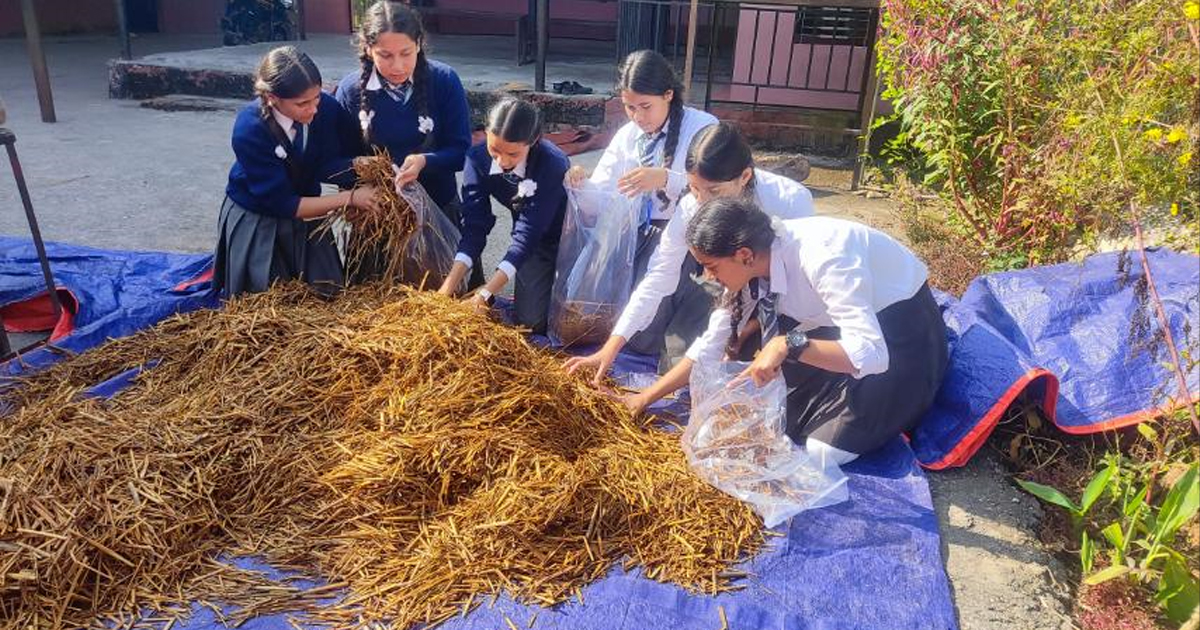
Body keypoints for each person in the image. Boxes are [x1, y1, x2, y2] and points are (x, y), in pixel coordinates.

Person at [623, 198, 948, 465]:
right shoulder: (754, 263)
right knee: (764, 416)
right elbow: (710, 344)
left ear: (744, 255)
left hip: (901, 338)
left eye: (712, 267)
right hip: (831, 328)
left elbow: (871, 354)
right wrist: (646, 397)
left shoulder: (824, 257)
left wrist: (789, 343)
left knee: (824, 452)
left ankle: (902, 404)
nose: (708, 277)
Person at [564, 123, 814, 381]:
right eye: (694, 188)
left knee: (751, 365)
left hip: (775, 299)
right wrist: (611, 347)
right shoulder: (690, 207)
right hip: (728, 286)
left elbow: (792, 285)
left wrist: (749, 329)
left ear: (745, 177)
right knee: (662, 351)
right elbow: (660, 273)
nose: (702, 200)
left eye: (714, 191)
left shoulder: (791, 203)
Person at [565, 49, 717, 355]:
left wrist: (665, 179)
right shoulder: (627, 135)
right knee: (632, 330)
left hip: (693, 233)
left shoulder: (703, 128)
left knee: (651, 336)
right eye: (630, 107)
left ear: (669, 95)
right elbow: (603, 195)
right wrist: (582, 184)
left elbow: (717, 191)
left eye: (646, 107)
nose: (638, 117)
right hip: (642, 233)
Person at [215, 46, 381, 297]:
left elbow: (329, 162)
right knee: (267, 298)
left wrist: (356, 169)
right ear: (272, 98)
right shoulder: (250, 128)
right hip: (260, 215)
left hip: (309, 207)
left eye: (316, 97)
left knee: (326, 294)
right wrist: (349, 200)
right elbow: (282, 203)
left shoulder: (325, 107)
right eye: (302, 103)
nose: (313, 109)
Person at [335, 1, 472, 279]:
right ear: (368, 49)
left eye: (405, 53)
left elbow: (461, 152)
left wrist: (425, 161)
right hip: (377, 218)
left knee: (441, 299)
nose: (397, 65)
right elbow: (336, 162)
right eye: (385, 55)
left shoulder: (444, 81)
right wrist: (358, 177)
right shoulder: (351, 91)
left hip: (436, 213)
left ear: (419, 44)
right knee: (377, 301)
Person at [438, 97, 568, 334]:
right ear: (486, 132)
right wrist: (446, 289)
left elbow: (528, 234)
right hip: (535, 244)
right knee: (530, 322)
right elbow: (475, 226)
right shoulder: (476, 158)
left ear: (534, 141)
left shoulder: (551, 164)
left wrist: (486, 292)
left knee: (574, 317)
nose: (502, 161)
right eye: (495, 149)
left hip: (569, 236)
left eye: (513, 154)